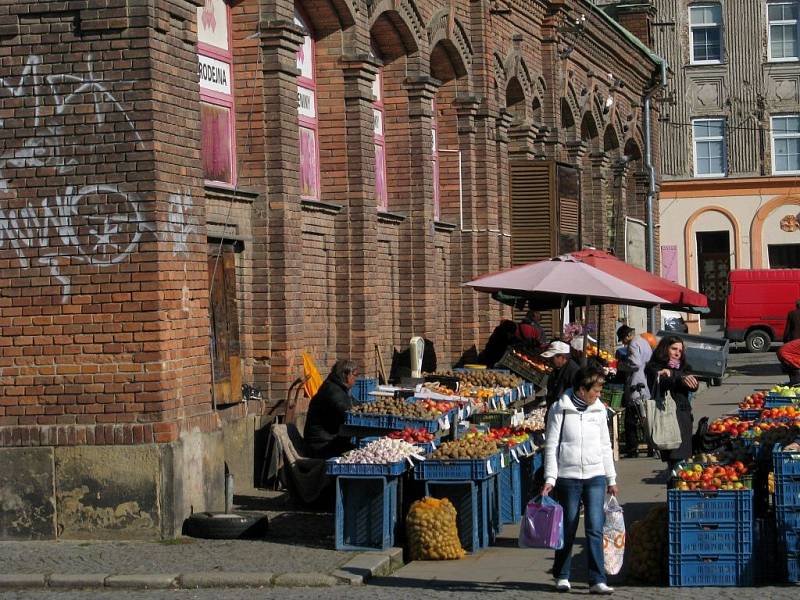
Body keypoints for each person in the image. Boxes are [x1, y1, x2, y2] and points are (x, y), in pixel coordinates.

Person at [541, 366, 618, 595]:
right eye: (595, 390)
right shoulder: (560, 409)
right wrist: (550, 478)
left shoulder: (599, 410)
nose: (598, 394)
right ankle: (562, 575)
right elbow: (552, 446)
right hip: (568, 476)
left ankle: (597, 579)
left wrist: (611, 478)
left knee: (595, 527)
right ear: (582, 389)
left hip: (595, 476)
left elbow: (606, 446)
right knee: (568, 526)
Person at [645, 336, 699, 471]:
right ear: (665, 349)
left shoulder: (684, 367)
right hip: (667, 418)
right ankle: (674, 487)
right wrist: (676, 377)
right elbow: (662, 383)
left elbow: (693, 385)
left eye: (680, 350)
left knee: (682, 463)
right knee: (676, 463)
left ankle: (676, 487)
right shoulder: (654, 367)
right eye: (674, 349)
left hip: (683, 418)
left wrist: (674, 373)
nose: (677, 353)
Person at [303, 359, 358, 459]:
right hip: (322, 445)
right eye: (354, 374)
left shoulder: (336, 386)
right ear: (345, 375)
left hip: (328, 439)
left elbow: (353, 403)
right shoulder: (332, 391)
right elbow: (346, 410)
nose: (356, 378)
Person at [616, 327, 655, 457]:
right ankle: (651, 446)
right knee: (646, 418)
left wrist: (621, 366)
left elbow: (635, 363)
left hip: (636, 384)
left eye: (623, 339)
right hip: (644, 382)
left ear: (627, 336)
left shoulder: (633, 344)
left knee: (630, 420)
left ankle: (632, 449)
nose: (623, 343)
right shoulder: (644, 341)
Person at [542, 340, 581, 409]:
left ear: (562, 357)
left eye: (552, 357)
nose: (549, 360)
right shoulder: (557, 369)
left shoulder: (573, 371)